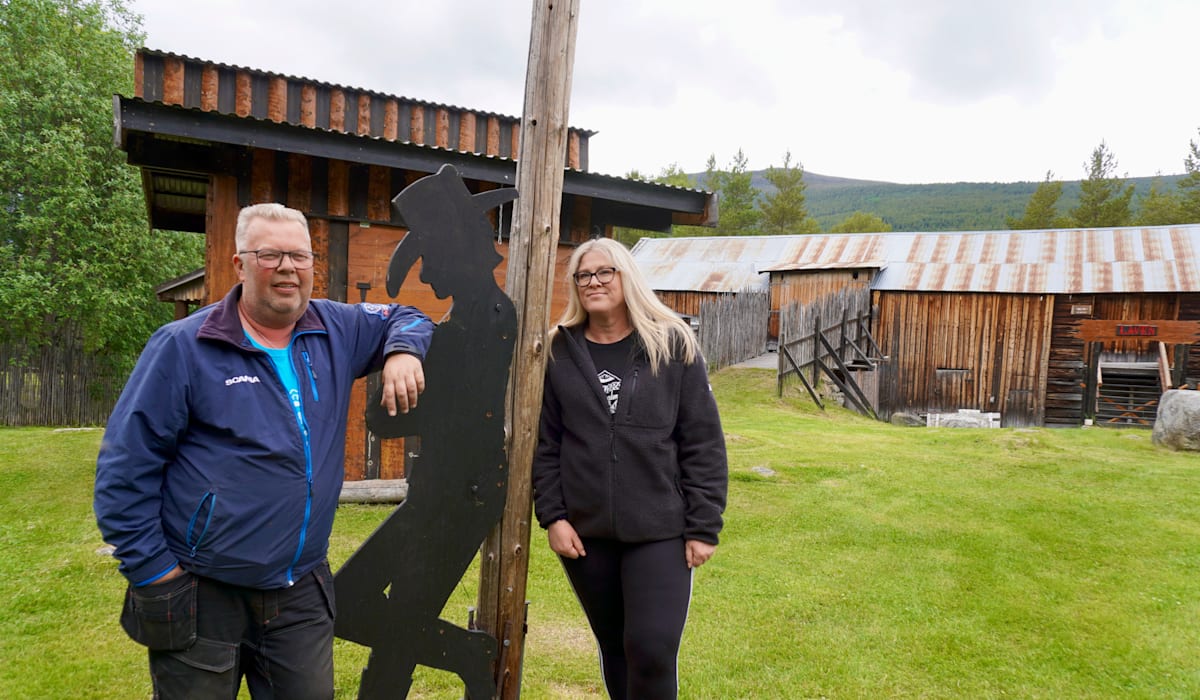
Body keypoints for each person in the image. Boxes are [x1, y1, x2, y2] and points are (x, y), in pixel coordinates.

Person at [93, 202, 434, 699]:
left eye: (299, 256)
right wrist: (155, 572)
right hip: (205, 590)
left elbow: (407, 314)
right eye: (270, 255)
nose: (287, 269)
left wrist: (402, 350)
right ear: (240, 264)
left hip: (299, 593)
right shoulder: (185, 347)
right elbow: (125, 473)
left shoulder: (334, 329)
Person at [532, 237, 728, 699]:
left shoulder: (671, 342)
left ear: (626, 277)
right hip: (587, 533)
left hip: (659, 529)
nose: (593, 282)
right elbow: (547, 443)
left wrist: (704, 525)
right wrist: (554, 517)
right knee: (616, 646)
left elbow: (702, 440)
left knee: (652, 647)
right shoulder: (559, 351)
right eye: (583, 275)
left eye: (605, 272)